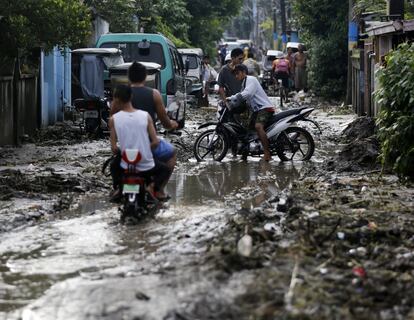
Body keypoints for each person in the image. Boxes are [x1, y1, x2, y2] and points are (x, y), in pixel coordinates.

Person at [109, 85, 171, 201]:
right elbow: (156, 142)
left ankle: (118, 188)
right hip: (146, 165)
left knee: (113, 166)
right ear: (131, 97)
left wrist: (122, 150)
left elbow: (114, 148)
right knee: (165, 170)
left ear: (116, 100)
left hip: (125, 165)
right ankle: (153, 187)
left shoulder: (113, 119)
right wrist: (145, 149)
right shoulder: (145, 116)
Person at [126, 61, 178, 199]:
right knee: (172, 153)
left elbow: (112, 119)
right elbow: (165, 122)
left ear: (129, 77)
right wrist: (173, 124)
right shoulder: (154, 94)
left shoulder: (121, 95)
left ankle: (120, 190)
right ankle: (158, 189)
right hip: (149, 145)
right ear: (145, 77)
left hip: (126, 145)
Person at [229, 64, 277, 162]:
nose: (236, 76)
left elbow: (247, 94)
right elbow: (242, 95)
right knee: (246, 130)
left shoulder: (251, 79)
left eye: (237, 73)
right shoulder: (244, 83)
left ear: (243, 72)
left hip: (264, 108)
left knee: (258, 127)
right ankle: (245, 154)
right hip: (257, 111)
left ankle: (267, 153)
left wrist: (233, 98)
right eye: (235, 74)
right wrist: (229, 99)